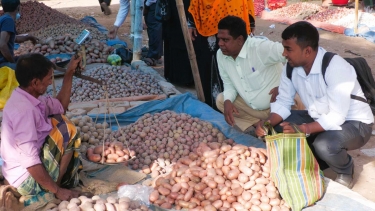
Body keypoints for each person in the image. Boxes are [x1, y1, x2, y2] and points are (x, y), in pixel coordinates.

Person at [255, 21, 373, 188]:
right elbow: (283, 101)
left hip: (356, 123)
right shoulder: (291, 68)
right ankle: (320, 163)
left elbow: (337, 116)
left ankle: (345, 170)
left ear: (307, 51)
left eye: (288, 49)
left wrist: (305, 129)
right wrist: (268, 123)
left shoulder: (336, 67)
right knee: (280, 126)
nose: (284, 54)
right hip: (319, 115)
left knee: (324, 144)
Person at [1, 53, 83, 205]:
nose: (50, 82)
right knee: (68, 130)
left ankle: (52, 185)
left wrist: (69, 73)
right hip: (25, 181)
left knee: (59, 120)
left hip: (18, 170)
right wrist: (57, 191)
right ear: (35, 83)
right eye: (48, 80)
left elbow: (60, 107)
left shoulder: (27, 96)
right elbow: (30, 160)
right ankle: (52, 188)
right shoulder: (24, 111)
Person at [164, 0, 256, 111]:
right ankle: (214, 105)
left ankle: (238, 108)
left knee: (236, 64)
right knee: (211, 65)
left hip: (235, 19)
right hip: (210, 22)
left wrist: (250, 22)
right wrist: (192, 22)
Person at [215, 16, 291, 134]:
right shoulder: (221, 55)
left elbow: (293, 53)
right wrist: (228, 100)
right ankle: (258, 124)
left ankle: (266, 125)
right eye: (219, 39)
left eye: (225, 40)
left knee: (296, 99)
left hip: (278, 104)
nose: (220, 44)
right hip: (252, 109)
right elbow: (228, 83)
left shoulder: (260, 48)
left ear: (240, 40)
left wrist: (285, 85)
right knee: (221, 100)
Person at [0, 0, 39, 70]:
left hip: (3, 60)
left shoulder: (3, 18)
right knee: (31, 69)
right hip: (2, 63)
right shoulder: (8, 20)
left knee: (28, 58)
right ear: (18, 7)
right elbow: (2, 44)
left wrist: (29, 37)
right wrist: (12, 61)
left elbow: (14, 39)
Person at [143, 0, 163, 66]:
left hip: (154, 4)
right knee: (156, 28)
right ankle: (157, 55)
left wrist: (147, 4)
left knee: (154, 29)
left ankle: (153, 55)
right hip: (156, 4)